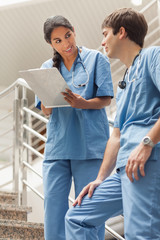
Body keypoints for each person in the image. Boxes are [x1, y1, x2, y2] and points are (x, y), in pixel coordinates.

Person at [65, 8, 160, 240]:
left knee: (140, 234)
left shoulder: (152, 56)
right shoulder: (124, 82)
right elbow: (116, 136)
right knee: (77, 217)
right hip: (121, 170)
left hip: (145, 162)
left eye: (105, 33)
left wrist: (147, 143)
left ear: (122, 32)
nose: (102, 40)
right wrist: (100, 178)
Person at [35, 15, 114, 240]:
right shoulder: (46, 68)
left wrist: (83, 103)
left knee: (89, 211)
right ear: (51, 44)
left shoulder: (96, 59)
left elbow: (106, 98)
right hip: (58, 148)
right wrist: (46, 99)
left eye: (67, 36)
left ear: (74, 31)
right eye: (57, 40)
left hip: (90, 147)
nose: (65, 43)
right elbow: (46, 111)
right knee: (53, 208)